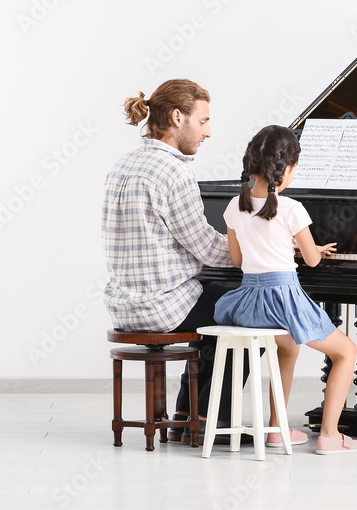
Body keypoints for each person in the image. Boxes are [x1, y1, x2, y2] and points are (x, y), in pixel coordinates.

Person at [101, 78, 251, 443]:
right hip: (163, 307)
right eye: (203, 121)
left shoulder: (123, 165)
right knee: (250, 312)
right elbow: (209, 248)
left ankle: (188, 415)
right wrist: (258, 248)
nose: (209, 132)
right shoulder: (175, 171)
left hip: (123, 304)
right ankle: (215, 424)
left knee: (216, 300)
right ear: (177, 117)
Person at [213, 125, 357, 454]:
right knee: (346, 351)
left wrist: (281, 249)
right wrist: (307, 248)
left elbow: (239, 258)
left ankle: (276, 429)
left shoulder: (233, 206)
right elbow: (311, 261)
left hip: (250, 302)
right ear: (288, 168)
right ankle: (329, 434)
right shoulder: (292, 209)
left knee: (288, 349)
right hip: (283, 299)